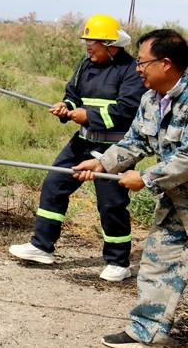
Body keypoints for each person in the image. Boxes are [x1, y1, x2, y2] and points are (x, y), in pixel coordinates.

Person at [72, 29, 188, 347]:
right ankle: (146, 331)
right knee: (158, 261)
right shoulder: (151, 98)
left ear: (165, 63)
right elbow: (135, 141)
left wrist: (146, 178)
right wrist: (103, 164)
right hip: (176, 202)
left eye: (142, 62)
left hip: (175, 186)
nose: (138, 69)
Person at [9, 14, 146, 282]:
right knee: (53, 184)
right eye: (86, 44)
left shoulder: (131, 70)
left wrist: (89, 115)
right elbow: (73, 94)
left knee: (111, 204)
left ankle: (119, 262)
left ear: (110, 44)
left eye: (92, 44)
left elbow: (126, 110)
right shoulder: (86, 65)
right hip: (83, 141)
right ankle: (41, 246)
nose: (88, 48)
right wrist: (67, 108)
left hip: (115, 148)